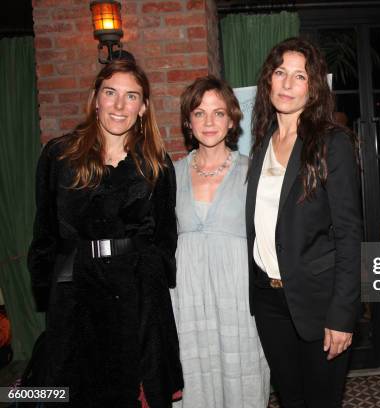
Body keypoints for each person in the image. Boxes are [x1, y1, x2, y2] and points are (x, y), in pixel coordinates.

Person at [27, 59, 183, 406]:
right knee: (75, 389)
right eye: (110, 92)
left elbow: (164, 238)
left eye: (131, 96)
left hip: (137, 296)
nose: (118, 105)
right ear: (95, 98)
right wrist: (51, 288)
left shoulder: (156, 163)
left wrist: (152, 282)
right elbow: (45, 232)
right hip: (76, 294)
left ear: (143, 107)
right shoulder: (59, 155)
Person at [246, 37, 362, 407]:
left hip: (318, 300)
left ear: (313, 87)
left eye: (299, 76)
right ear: (268, 81)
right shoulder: (262, 143)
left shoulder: (332, 142)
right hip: (269, 301)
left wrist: (342, 315)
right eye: (280, 73)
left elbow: (348, 234)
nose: (287, 83)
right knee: (291, 399)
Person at [171, 76, 270, 408]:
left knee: (240, 376)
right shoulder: (169, 175)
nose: (209, 122)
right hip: (185, 300)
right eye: (199, 113)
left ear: (231, 119)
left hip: (237, 298)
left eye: (218, 113)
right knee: (191, 376)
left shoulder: (252, 171)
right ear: (188, 122)